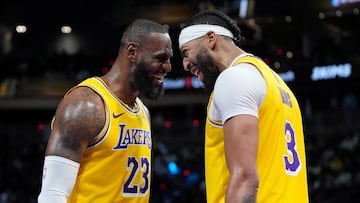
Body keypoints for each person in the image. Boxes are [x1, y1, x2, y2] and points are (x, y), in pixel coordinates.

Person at [178, 10, 308, 203]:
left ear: (211, 39)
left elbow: (245, 178)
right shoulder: (276, 82)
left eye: (186, 52)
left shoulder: (233, 78)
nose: (185, 65)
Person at [38, 19, 173, 202]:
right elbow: (52, 194)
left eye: (169, 59)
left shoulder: (142, 111)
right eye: (160, 58)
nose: (168, 67)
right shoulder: (87, 105)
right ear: (132, 52)